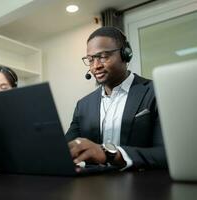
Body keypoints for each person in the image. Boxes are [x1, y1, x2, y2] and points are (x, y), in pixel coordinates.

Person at [66, 26, 167, 170]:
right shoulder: (83, 105)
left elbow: (166, 154)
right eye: (90, 59)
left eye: (103, 56)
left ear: (125, 54)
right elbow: (69, 147)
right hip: (93, 187)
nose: (95, 66)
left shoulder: (155, 92)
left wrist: (110, 154)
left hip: (144, 187)